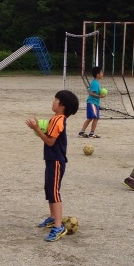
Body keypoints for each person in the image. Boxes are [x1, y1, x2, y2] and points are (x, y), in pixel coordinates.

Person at [27, 89, 79, 242]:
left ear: (62, 105)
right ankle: (52, 218)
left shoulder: (58, 120)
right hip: (51, 159)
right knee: (49, 189)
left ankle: (58, 226)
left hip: (56, 160)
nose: (53, 101)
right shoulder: (55, 118)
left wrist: (37, 129)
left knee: (54, 192)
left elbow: (50, 142)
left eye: (55, 99)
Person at [78, 65, 104, 138]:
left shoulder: (95, 82)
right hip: (93, 103)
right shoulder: (95, 83)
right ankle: (92, 133)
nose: (102, 74)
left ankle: (82, 132)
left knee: (90, 118)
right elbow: (91, 93)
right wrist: (100, 96)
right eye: (101, 73)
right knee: (96, 118)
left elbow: (90, 90)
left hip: (92, 102)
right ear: (97, 74)